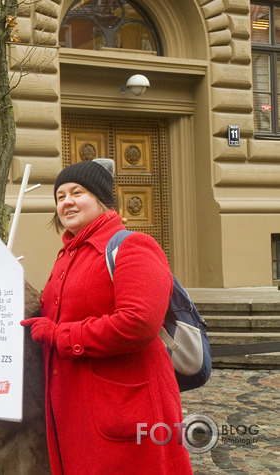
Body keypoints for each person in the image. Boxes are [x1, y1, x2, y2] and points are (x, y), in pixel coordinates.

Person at [21, 159, 193, 474]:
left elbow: (138, 323)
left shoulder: (133, 246)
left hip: (124, 412)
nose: (67, 202)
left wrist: (61, 336)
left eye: (77, 192)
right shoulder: (68, 256)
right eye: (60, 197)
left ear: (102, 199)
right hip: (77, 410)